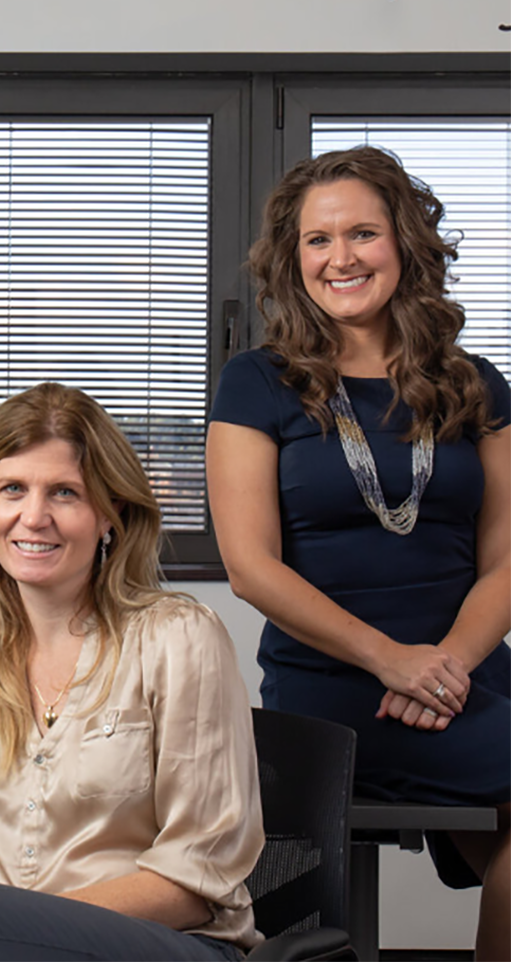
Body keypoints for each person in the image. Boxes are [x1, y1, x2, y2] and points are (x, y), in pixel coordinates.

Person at [207, 146, 511, 961]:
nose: (340, 257)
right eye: (317, 240)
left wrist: (443, 665)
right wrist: (391, 662)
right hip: (333, 689)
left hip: (465, 674)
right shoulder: (256, 382)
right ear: (292, 257)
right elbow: (250, 567)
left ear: (405, 243)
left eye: (363, 233)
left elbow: (508, 559)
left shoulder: (476, 384)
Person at [0, 382, 262, 962]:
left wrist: (16, 923)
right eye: (13, 489)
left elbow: (199, 876)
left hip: (162, 945)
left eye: (65, 493)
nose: (33, 517)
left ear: (109, 516)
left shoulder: (179, 637)